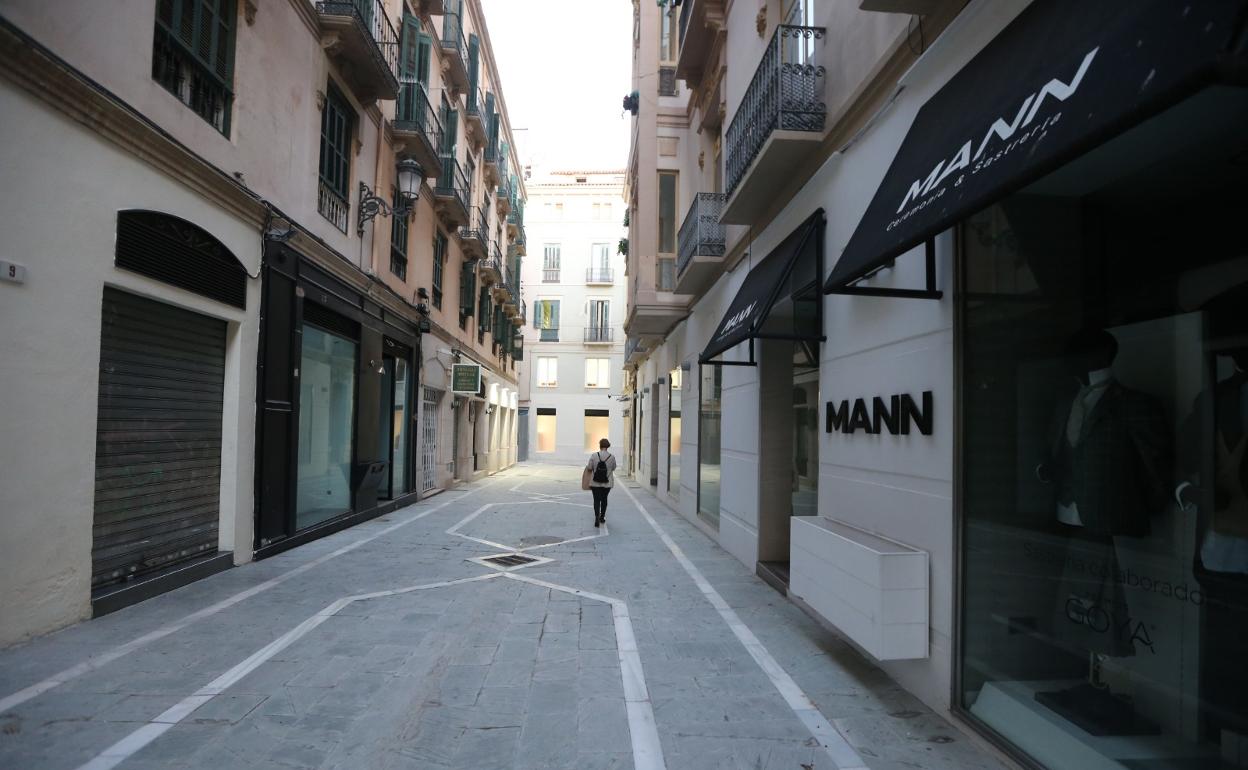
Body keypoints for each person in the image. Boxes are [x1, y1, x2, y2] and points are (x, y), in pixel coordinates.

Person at [585, 438, 617, 527]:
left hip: (595, 482)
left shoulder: (594, 455)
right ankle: (602, 517)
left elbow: (589, 467)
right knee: (604, 499)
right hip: (607, 483)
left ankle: (596, 517)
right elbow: (614, 467)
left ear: (600, 445)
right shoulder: (612, 457)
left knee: (596, 500)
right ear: (608, 446)